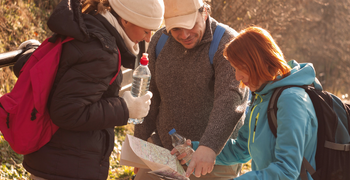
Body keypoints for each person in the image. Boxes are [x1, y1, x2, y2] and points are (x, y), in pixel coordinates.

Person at [14, 0, 164, 179]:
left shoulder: (87, 28)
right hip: (68, 168)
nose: (148, 38)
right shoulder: (102, 51)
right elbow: (67, 111)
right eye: (146, 30)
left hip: (55, 160)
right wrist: (125, 108)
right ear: (125, 20)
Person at [174, 26, 319, 180]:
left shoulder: (291, 100)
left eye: (241, 68)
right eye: (234, 69)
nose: (237, 77)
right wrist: (198, 149)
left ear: (259, 62)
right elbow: (241, 149)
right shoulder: (262, 98)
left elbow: (287, 170)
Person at [133, 0, 249, 179]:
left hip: (213, 158)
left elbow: (230, 100)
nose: (184, 34)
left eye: (191, 25)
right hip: (166, 152)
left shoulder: (227, 43)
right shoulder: (160, 41)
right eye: (176, 29)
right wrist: (139, 144)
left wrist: (209, 146)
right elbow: (150, 97)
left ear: (204, 13)